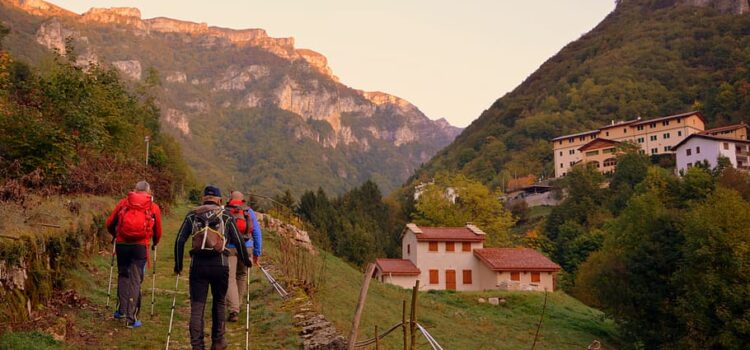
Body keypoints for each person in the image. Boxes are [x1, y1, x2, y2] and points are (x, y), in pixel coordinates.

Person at [174, 185, 252, 350]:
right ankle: (218, 341)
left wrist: (178, 265)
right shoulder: (226, 216)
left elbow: (179, 240)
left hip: (198, 265)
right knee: (219, 303)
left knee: (197, 306)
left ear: (203, 198)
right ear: (219, 200)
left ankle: (197, 345)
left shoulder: (192, 215)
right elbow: (238, 241)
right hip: (220, 265)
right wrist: (246, 260)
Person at [105, 180, 162, 328]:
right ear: (148, 192)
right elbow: (158, 231)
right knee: (135, 280)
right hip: (140, 246)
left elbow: (110, 223)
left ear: (135, 190)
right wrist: (155, 242)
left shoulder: (124, 203)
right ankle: (131, 319)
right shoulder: (153, 207)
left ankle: (120, 311)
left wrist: (116, 235)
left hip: (122, 245)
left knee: (123, 276)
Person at [224, 191, 262, 322]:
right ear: (242, 200)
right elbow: (256, 232)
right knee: (242, 275)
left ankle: (234, 309)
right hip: (247, 246)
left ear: (230, 199)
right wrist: (257, 252)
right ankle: (237, 305)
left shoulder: (225, 210)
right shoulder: (248, 211)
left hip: (230, 247)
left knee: (230, 278)